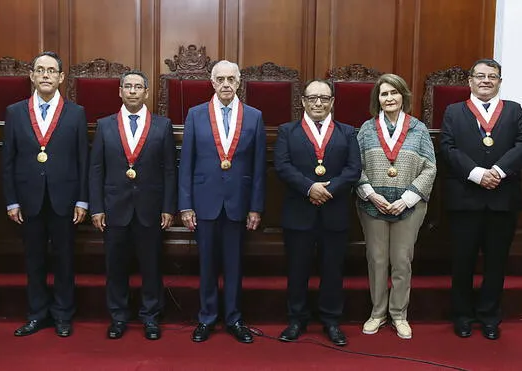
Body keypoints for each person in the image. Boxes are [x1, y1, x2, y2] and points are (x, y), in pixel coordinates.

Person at [440, 59, 522, 340]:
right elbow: (447, 147)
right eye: (480, 76)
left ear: (499, 81)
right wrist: (476, 173)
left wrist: (499, 171)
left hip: (502, 199)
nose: (485, 81)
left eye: (492, 76)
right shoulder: (454, 112)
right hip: (465, 198)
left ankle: (490, 316)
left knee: (496, 262)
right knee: (463, 261)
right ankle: (463, 316)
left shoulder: (513, 110)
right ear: (470, 81)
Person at [178, 60, 266, 343]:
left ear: (239, 82)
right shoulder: (196, 114)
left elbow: (259, 166)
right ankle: (206, 318)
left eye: (231, 79)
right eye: (221, 79)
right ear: (212, 82)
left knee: (234, 264)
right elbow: (186, 162)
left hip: (239, 203)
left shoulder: (254, 116)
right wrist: (185, 204)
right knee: (206, 264)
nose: (226, 84)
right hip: (204, 202)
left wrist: (256, 206)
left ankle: (234, 318)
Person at [2, 51, 89, 338]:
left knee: (64, 259)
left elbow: (82, 160)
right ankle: (37, 314)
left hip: (65, 199)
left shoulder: (76, 113)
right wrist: (12, 199)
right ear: (32, 76)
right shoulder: (15, 112)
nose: (45, 75)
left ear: (62, 77)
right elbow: (8, 161)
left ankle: (63, 314)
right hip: (29, 201)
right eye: (40, 70)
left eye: (51, 71)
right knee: (34, 259)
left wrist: (82, 199)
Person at [89, 71, 176, 341]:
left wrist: (168, 208)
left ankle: (150, 317)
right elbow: (96, 169)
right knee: (115, 266)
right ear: (120, 91)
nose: (133, 91)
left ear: (147, 92)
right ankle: (118, 316)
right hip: (114, 208)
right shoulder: (104, 125)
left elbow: (170, 170)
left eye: (138, 87)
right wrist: (96, 208)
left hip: (150, 208)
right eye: (128, 86)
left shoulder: (162, 125)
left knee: (151, 265)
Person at [274, 79, 361, 346]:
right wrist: (309, 187)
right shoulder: (287, 131)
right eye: (313, 98)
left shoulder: (347, 132)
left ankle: (331, 321)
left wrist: (328, 189)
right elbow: (282, 165)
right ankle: (296, 319)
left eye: (324, 98)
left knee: (332, 270)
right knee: (297, 270)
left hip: (334, 212)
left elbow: (353, 169)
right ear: (303, 102)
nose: (318, 103)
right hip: (299, 212)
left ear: (332, 101)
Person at [355, 74, 436, 340]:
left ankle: (399, 314)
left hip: (408, 206)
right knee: (377, 260)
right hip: (372, 204)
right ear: (377, 99)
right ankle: (378, 313)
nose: (389, 98)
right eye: (383, 94)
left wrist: (408, 198)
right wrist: (371, 195)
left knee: (401, 261)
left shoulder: (419, 129)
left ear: (403, 96)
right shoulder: (367, 129)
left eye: (394, 93)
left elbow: (429, 168)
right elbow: (355, 167)